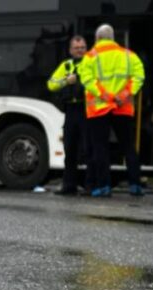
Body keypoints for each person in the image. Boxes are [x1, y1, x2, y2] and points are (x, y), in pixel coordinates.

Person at [78, 24, 145, 197]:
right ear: (113, 38)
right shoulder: (129, 55)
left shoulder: (90, 57)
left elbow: (87, 80)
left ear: (97, 38)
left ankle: (104, 186)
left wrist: (105, 95)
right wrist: (125, 93)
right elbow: (139, 76)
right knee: (128, 147)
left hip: (99, 109)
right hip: (123, 108)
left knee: (100, 148)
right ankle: (135, 185)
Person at [47, 35, 92, 195]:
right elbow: (51, 84)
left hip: (86, 109)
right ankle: (69, 185)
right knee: (70, 148)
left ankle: (90, 186)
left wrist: (79, 81)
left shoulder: (91, 63)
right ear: (70, 50)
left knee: (88, 149)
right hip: (71, 110)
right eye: (76, 48)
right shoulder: (66, 65)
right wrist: (66, 81)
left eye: (82, 48)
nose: (80, 50)